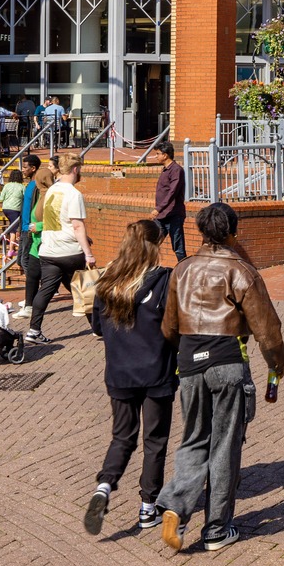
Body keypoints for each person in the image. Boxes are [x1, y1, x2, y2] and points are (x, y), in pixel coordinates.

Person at [157, 202, 284, 553]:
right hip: (227, 359)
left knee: (194, 437)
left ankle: (176, 505)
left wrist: (176, 358)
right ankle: (216, 528)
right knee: (225, 446)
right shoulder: (241, 271)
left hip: (189, 362)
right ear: (233, 231)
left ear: (200, 231)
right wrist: (277, 365)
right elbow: (267, 328)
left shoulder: (182, 269)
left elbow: (169, 326)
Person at [84, 221, 176, 535]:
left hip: (119, 372)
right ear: (155, 246)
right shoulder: (164, 280)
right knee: (155, 442)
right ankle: (147, 508)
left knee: (122, 437)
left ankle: (104, 488)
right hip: (156, 372)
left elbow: (97, 328)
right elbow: (173, 327)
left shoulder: (107, 281)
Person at [27, 154, 95, 341]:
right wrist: (88, 254)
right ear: (75, 169)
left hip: (48, 250)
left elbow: (55, 219)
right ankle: (98, 327)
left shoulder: (52, 190)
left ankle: (34, 330)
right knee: (84, 289)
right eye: (79, 169)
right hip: (70, 251)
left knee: (46, 290)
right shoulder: (74, 194)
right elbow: (77, 225)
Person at [19, 156, 52, 319]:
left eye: (25, 167)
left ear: (33, 169)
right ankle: (30, 299)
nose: (23, 170)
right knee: (26, 264)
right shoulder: (31, 185)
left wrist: (33, 227)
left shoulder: (38, 188)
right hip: (28, 229)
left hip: (33, 231)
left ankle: (30, 302)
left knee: (30, 266)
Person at [154, 140, 186, 258]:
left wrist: (158, 208)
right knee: (152, 243)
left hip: (174, 215)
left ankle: (184, 272)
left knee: (178, 248)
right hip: (162, 216)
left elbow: (172, 192)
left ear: (165, 155)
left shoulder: (176, 170)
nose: (156, 156)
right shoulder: (165, 169)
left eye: (158, 154)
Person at [0, 166, 29, 258]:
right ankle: (11, 250)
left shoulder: (7, 185)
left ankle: (11, 246)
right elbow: (25, 198)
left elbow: (1, 198)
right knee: (13, 229)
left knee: (12, 226)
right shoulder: (22, 187)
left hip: (6, 208)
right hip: (15, 209)